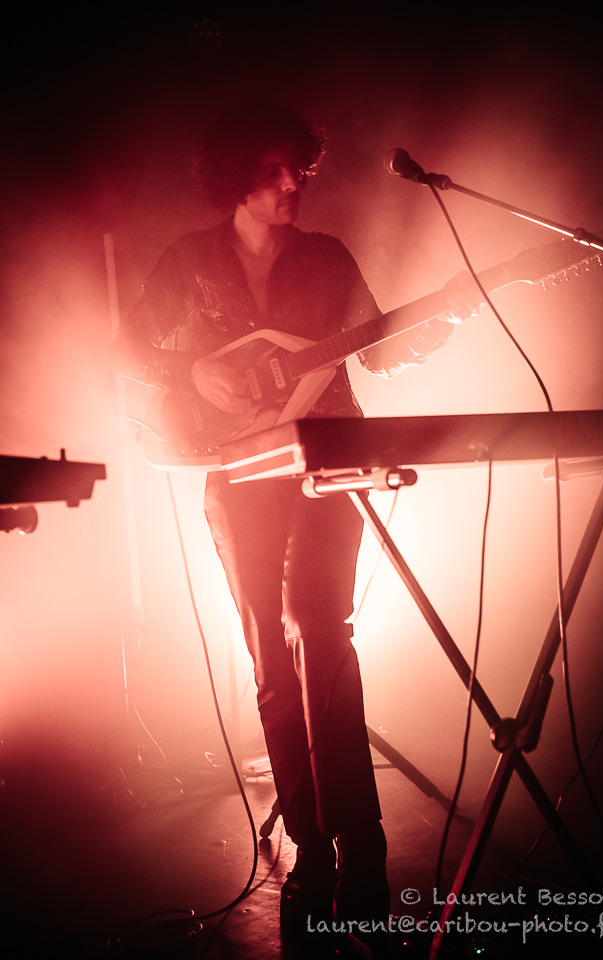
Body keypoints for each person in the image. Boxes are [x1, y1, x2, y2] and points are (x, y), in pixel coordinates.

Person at [113, 99, 479, 938]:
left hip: (325, 463)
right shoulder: (189, 260)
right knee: (271, 661)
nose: (291, 183)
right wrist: (195, 370)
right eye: (273, 170)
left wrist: (449, 311)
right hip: (236, 470)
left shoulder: (328, 257)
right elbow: (127, 350)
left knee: (322, 629)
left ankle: (362, 840)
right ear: (235, 176)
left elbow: (383, 350)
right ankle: (313, 845)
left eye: (298, 169)